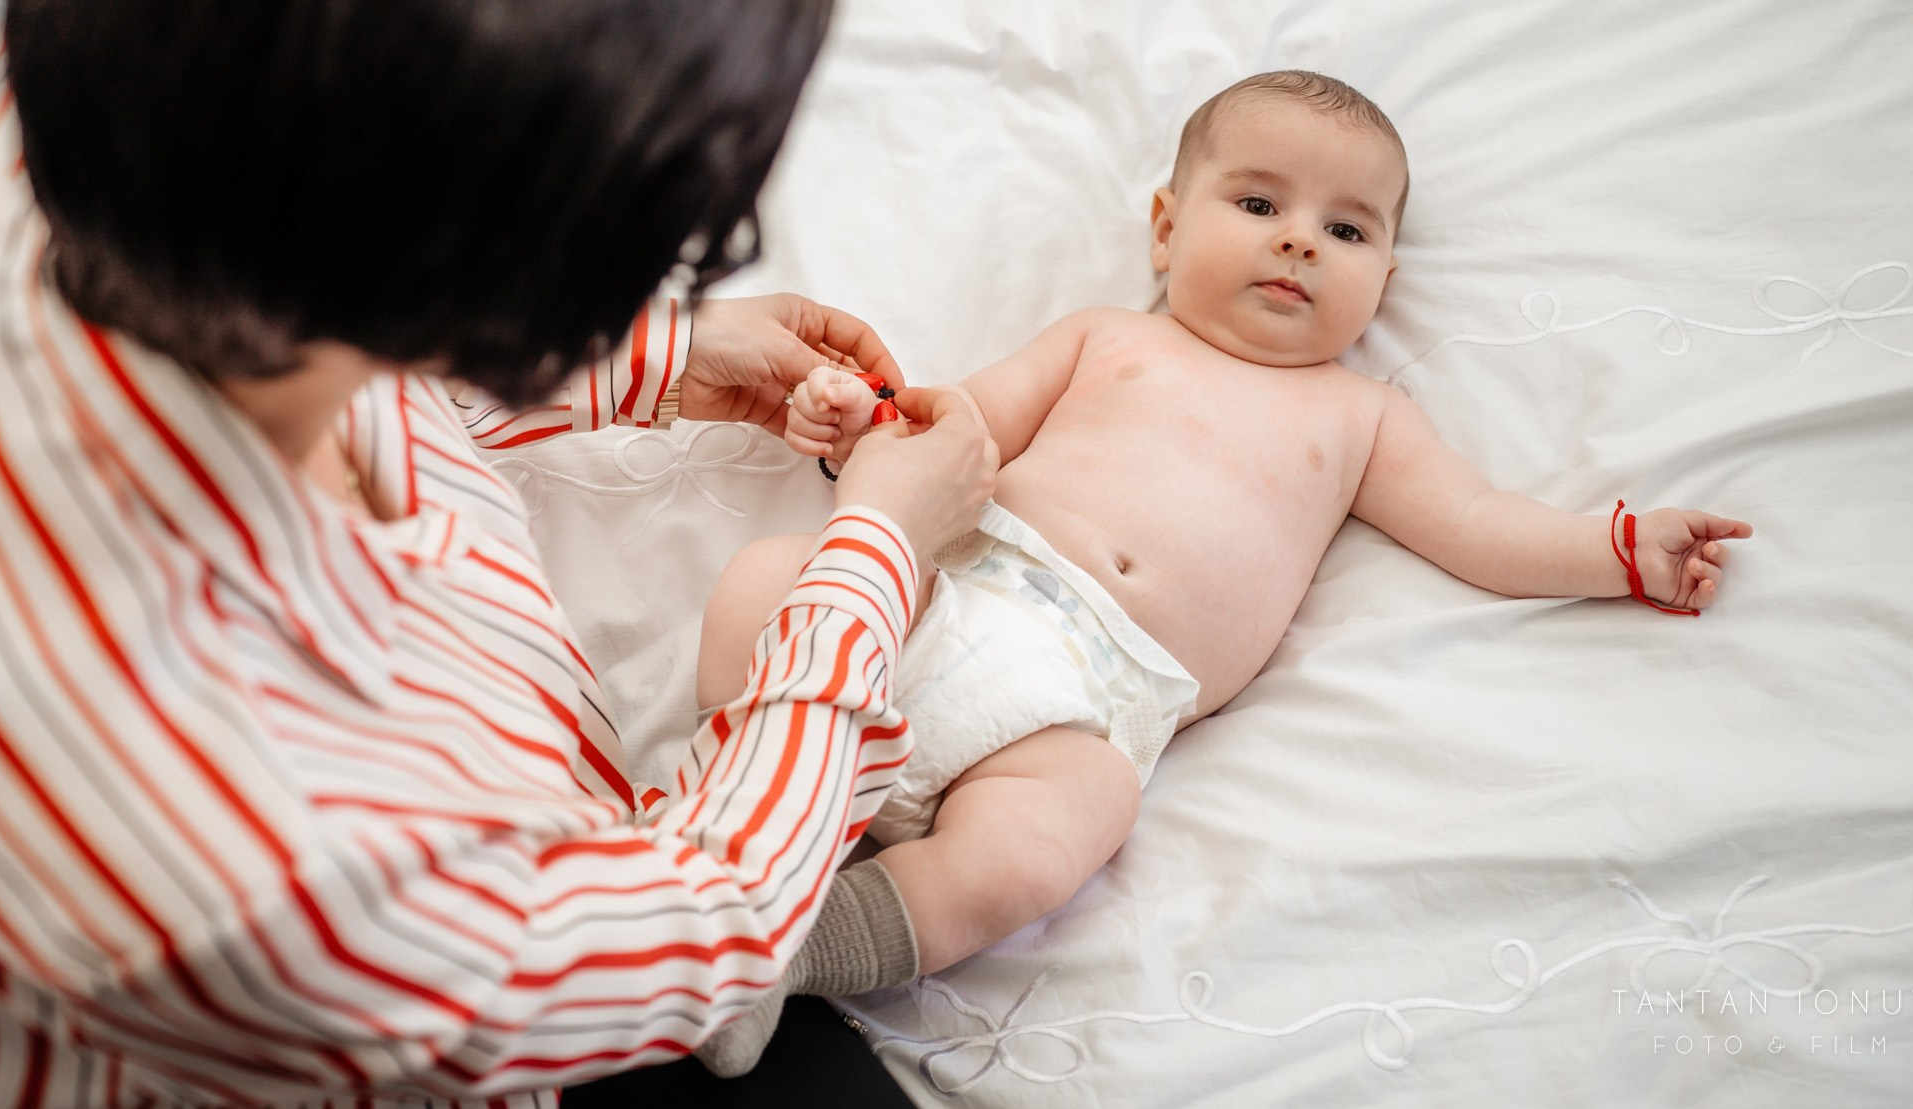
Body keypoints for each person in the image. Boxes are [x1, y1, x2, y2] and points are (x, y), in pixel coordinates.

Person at [0, 0, 995, 1104]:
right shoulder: (259, 873)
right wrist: (876, 553)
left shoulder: (45, 99)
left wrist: (644, 357)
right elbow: (702, 934)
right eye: (684, 236)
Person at [689, 69, 1755, 1074]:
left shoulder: (1361, 417)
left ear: (1381, 280)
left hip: (1079, 710)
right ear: (1165, 227)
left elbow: (1475, 524)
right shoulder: (1104, 338)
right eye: (1257, 205)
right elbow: (955, 428)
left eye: (1344, 230)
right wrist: (855, 423)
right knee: (764, 580)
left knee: (1050, 843)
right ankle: (724, 821)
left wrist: (1614, 551)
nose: (1297, 241)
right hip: (939, 590)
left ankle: (790, 953)